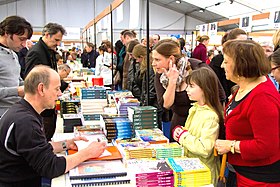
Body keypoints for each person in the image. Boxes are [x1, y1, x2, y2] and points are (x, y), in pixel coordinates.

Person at [0, 65, 106, 187]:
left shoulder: (22, 110)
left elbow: (35, 148)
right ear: (41, 89)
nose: (59, 94)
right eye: (56, 89)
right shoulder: (26, 122)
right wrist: (87, 153)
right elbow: (51, 167)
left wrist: (66, 143)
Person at [215, 40, 280, 186]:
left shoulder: (262, 98)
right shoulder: (246, 86)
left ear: (241, 65)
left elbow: (266, 146)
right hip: (243, 172)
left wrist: (231, 145)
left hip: (259, 177)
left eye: (226, 61)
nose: (222, 66)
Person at [152, 39, 225, 142]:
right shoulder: (161, 76)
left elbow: (218, 97)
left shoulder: (198, 68)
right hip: (178, 127)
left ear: (171, 58)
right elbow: (166, 105)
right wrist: (172, 82)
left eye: (157, 60)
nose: (153, 64)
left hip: (202, 126)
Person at [173, 67, 224, 186]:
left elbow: (205, 148)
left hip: (205, 174)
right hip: (193, 169)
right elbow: (190, 133)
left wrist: (183, 136)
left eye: (191, 86)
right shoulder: (194, 109)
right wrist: (180, 131)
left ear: (205, 89)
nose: (187, 90)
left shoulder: (211, 116)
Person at [25, 22, 66, 142]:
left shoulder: (49, 50)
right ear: (47, 35)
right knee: (43, 139)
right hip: (42, 107)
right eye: (56, 40)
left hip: (48, 104)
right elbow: (31, 80)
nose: (58, 44)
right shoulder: (36, 53)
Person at [0, 15, 33, 117]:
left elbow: (16, 79)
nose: (24, 44)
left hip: (13, 112)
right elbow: (16, 89)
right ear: (7, 33)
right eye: (21, 39)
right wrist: (17, 91)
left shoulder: (13, 54)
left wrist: (30, 86)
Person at [209, 28, 247, 102]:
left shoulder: (246, 60)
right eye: (240, 42)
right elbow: (214, 82)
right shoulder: (218, 60)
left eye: (246, 42)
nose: (244, 45)